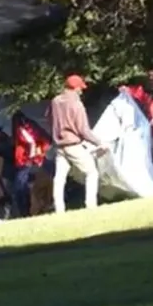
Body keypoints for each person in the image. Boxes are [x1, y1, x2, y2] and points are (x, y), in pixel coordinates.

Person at [46, 74, 106, 213]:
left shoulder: (55, 101)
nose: (81, 91)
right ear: (75, 88)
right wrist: (99, 143)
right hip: (73, 145)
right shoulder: (77, 104)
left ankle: (59, 209)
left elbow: (48, 118)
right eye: (80, 88)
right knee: (91, 173)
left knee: (59, 178)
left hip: (59, 146)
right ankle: (91, 205)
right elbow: (83, 130)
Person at [12, 113, 50, 217]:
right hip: (32, 160)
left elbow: (31, 142)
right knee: (32, 187)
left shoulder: (21, 129)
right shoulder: (31, 127)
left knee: (21, 188)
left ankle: (26, 211)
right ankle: (37, 208)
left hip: (25, 161)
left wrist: (31, 157)